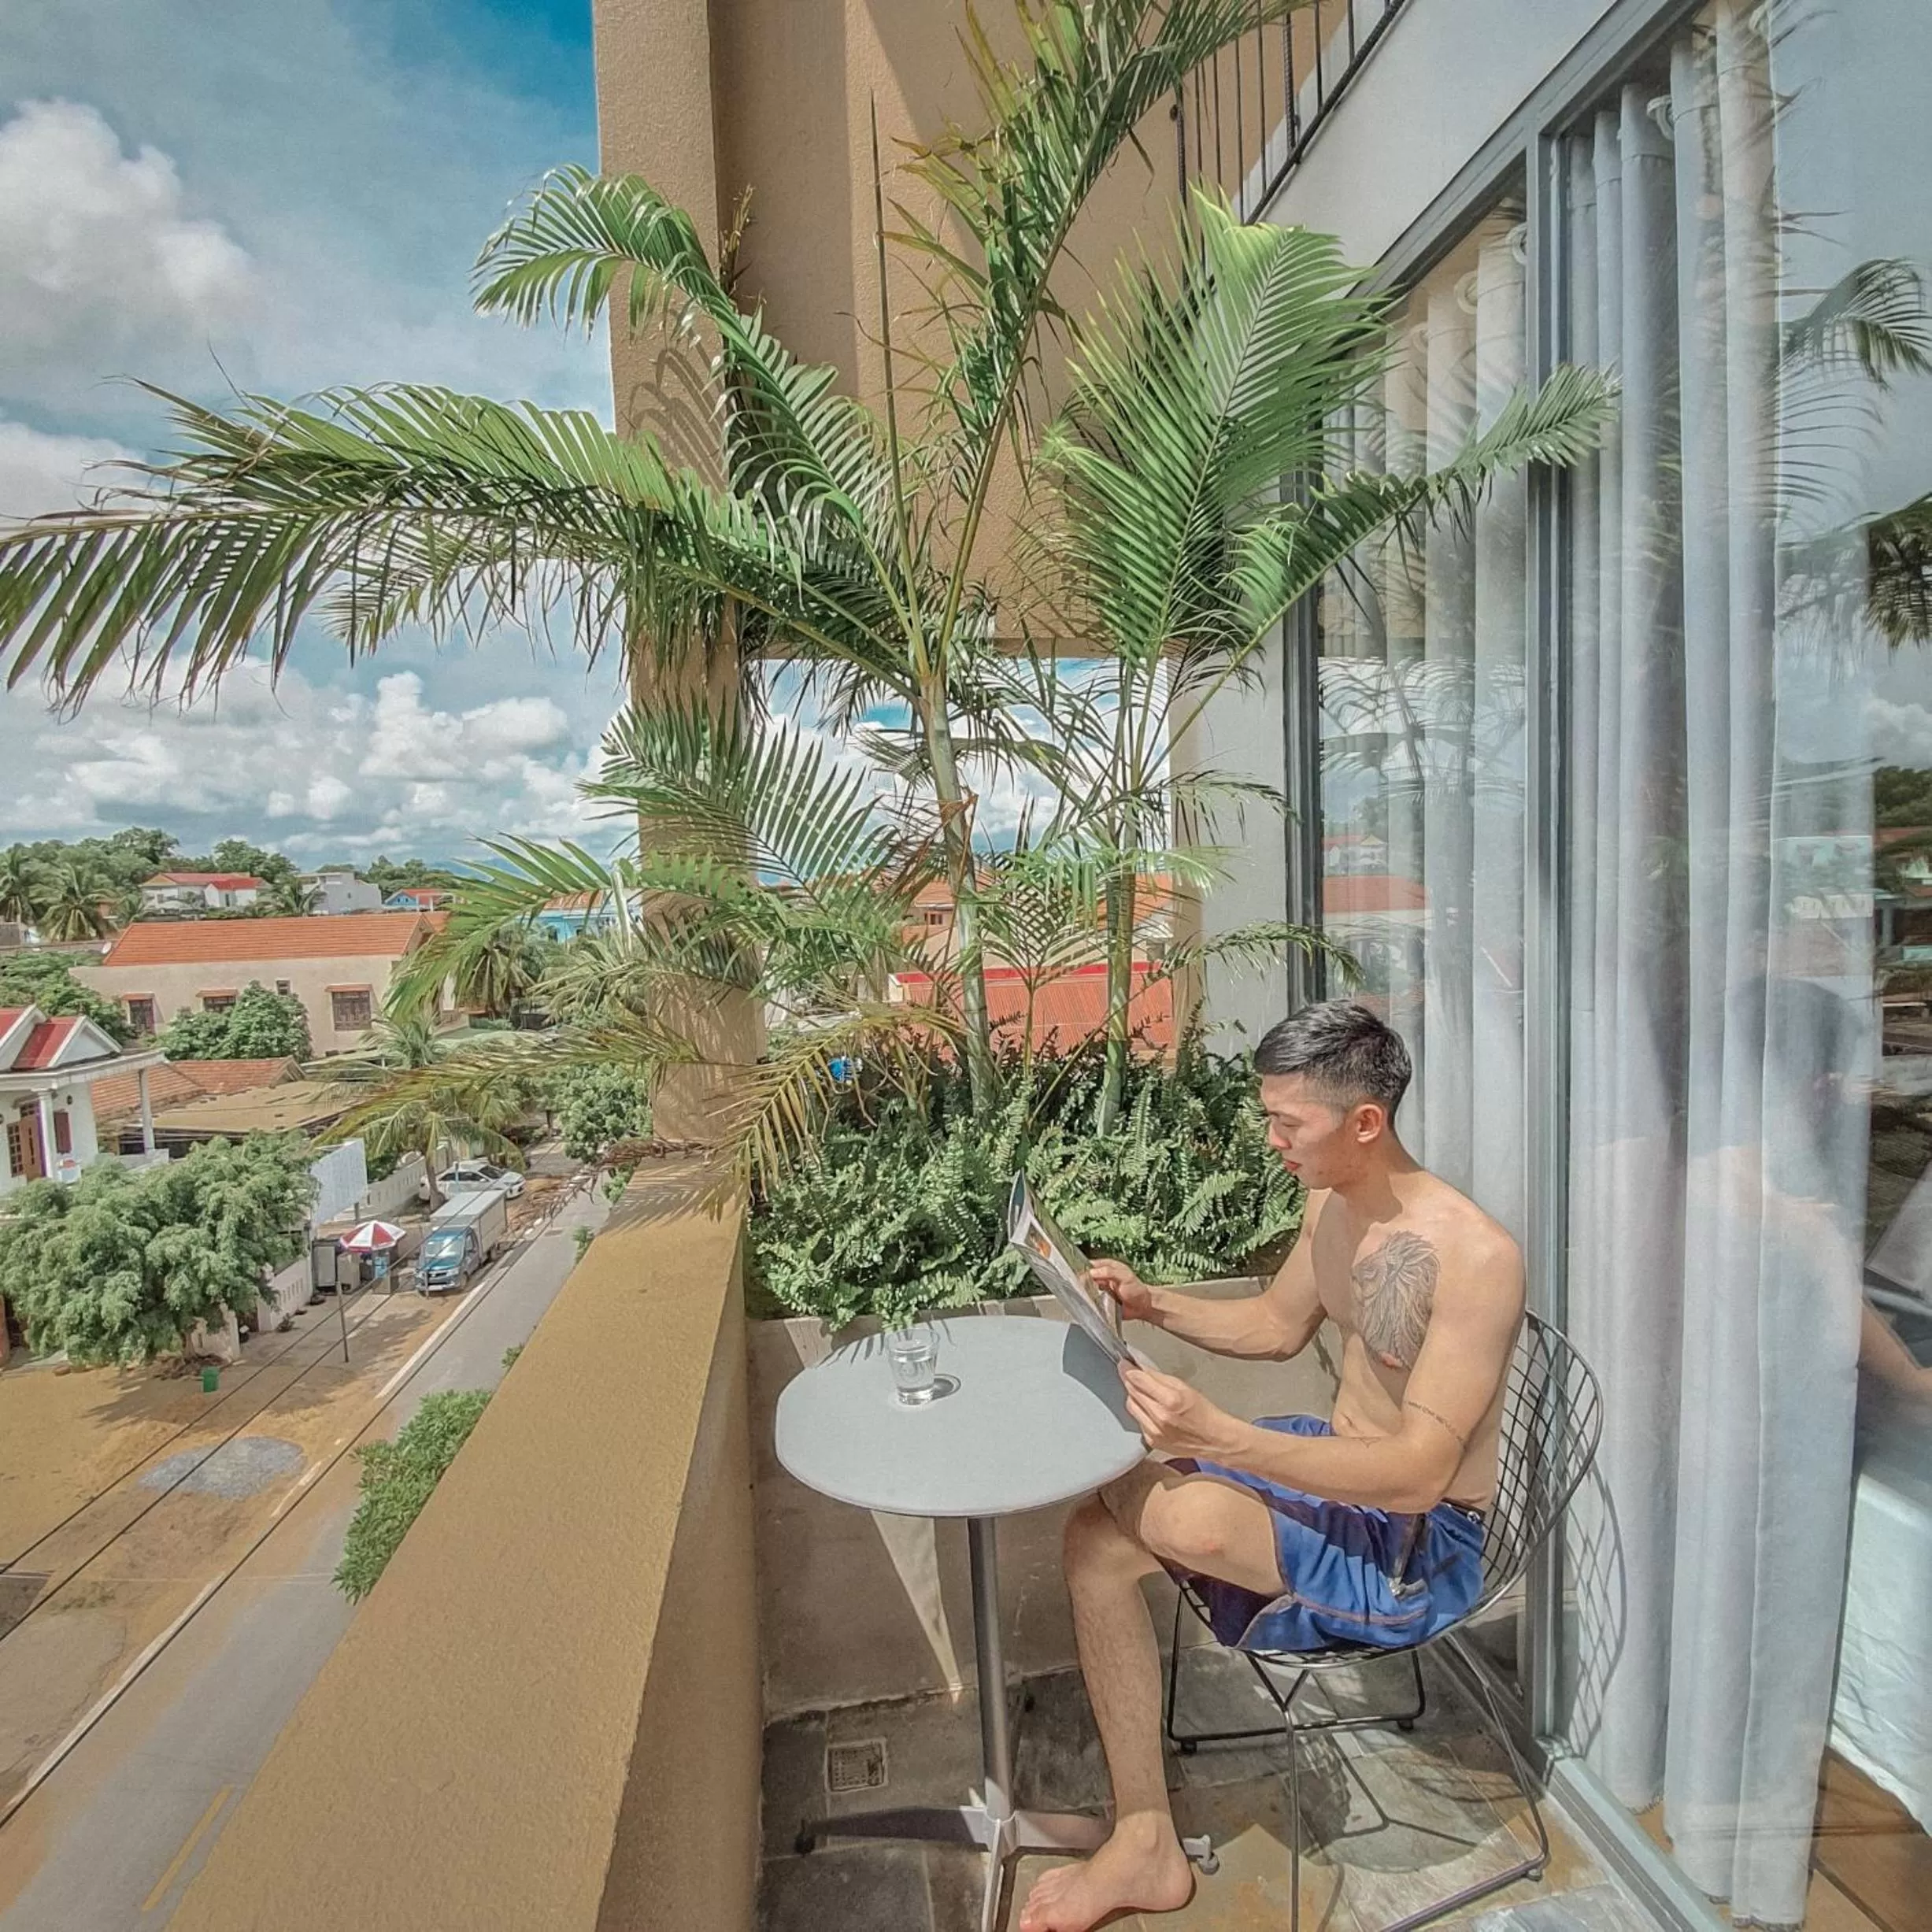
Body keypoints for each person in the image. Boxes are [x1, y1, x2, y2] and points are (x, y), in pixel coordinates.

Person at [1017, 1000, 1525, 1932]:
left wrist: (1216, 1440)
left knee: (1180, 1515)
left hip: (1420, 1546)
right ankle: (1146, 1842)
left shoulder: (1476, 1257)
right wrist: (1152, 1302)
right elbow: (1276, 1323)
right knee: (1095, 1540)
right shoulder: (1332, 1198)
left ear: (1364, 1123)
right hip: (1341, 1475)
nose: (1269, 1139)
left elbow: (1418, 1474)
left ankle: (1143, 1840)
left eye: (1286, 1122)